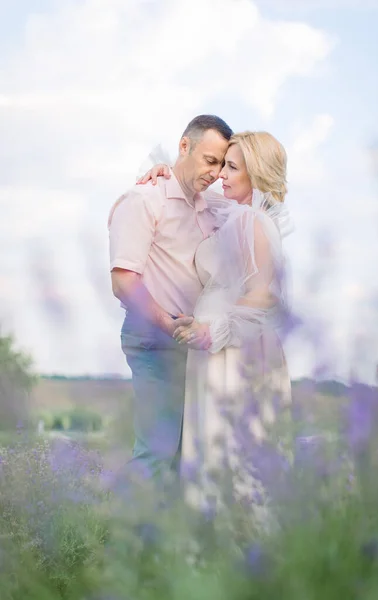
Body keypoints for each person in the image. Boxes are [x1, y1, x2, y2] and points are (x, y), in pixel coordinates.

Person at [138, 131, 293, 509]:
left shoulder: (252, 221)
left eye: (232, 167)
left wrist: (213, 331)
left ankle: (236, 552)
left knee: (231, 454)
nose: (222, 173)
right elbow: (190, 185)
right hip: (214, 351)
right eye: (221, 163)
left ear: (255, 174)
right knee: (212, 451)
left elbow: (265, 294)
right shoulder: (233, 215)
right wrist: (161, 169)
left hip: (233, 354)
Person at [108, 114, 233, 490]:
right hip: (153, 338)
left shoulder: (212, 205)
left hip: (194, 344)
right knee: (158, 451)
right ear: (184, 147)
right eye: (210, 161)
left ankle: (165, 545)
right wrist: (168, 323)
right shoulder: (144, 199)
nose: (215, 173)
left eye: (222, 165)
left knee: (188, 454)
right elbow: (123, 280)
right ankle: (126, 545)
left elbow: (262, 201)